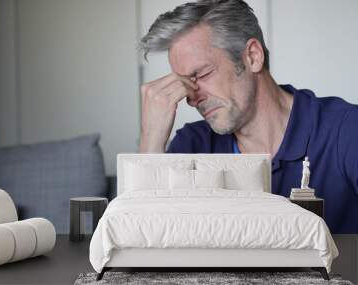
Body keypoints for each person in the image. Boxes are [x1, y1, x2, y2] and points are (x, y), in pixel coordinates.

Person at [138, 0, 358, 234]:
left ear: (253, 56)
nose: (192, 98)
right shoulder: (192, 144)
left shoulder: (346, 130)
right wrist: (151, 138)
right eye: (184, 83)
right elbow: (139, 242)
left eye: (201, 74)